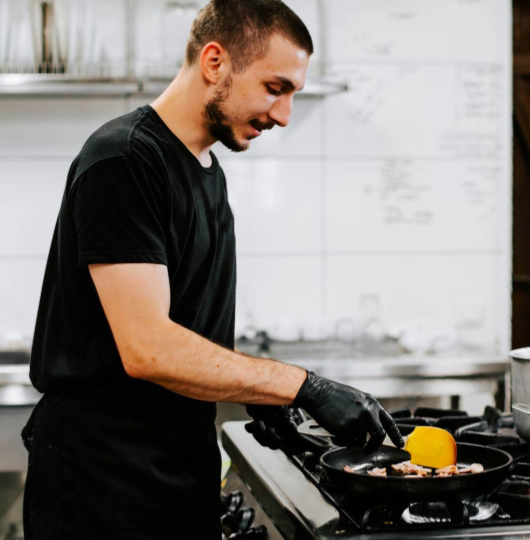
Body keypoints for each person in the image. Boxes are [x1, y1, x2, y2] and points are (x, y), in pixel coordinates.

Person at [21, 1, 402, 538]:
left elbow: (189, 331)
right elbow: (148, 348)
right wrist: (302, 386)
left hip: (176, 476)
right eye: (276, 87)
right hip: (103, 491)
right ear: (215, 62)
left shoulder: (206, 170)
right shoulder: (124, 162)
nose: (284, 114)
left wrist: (261, 397)